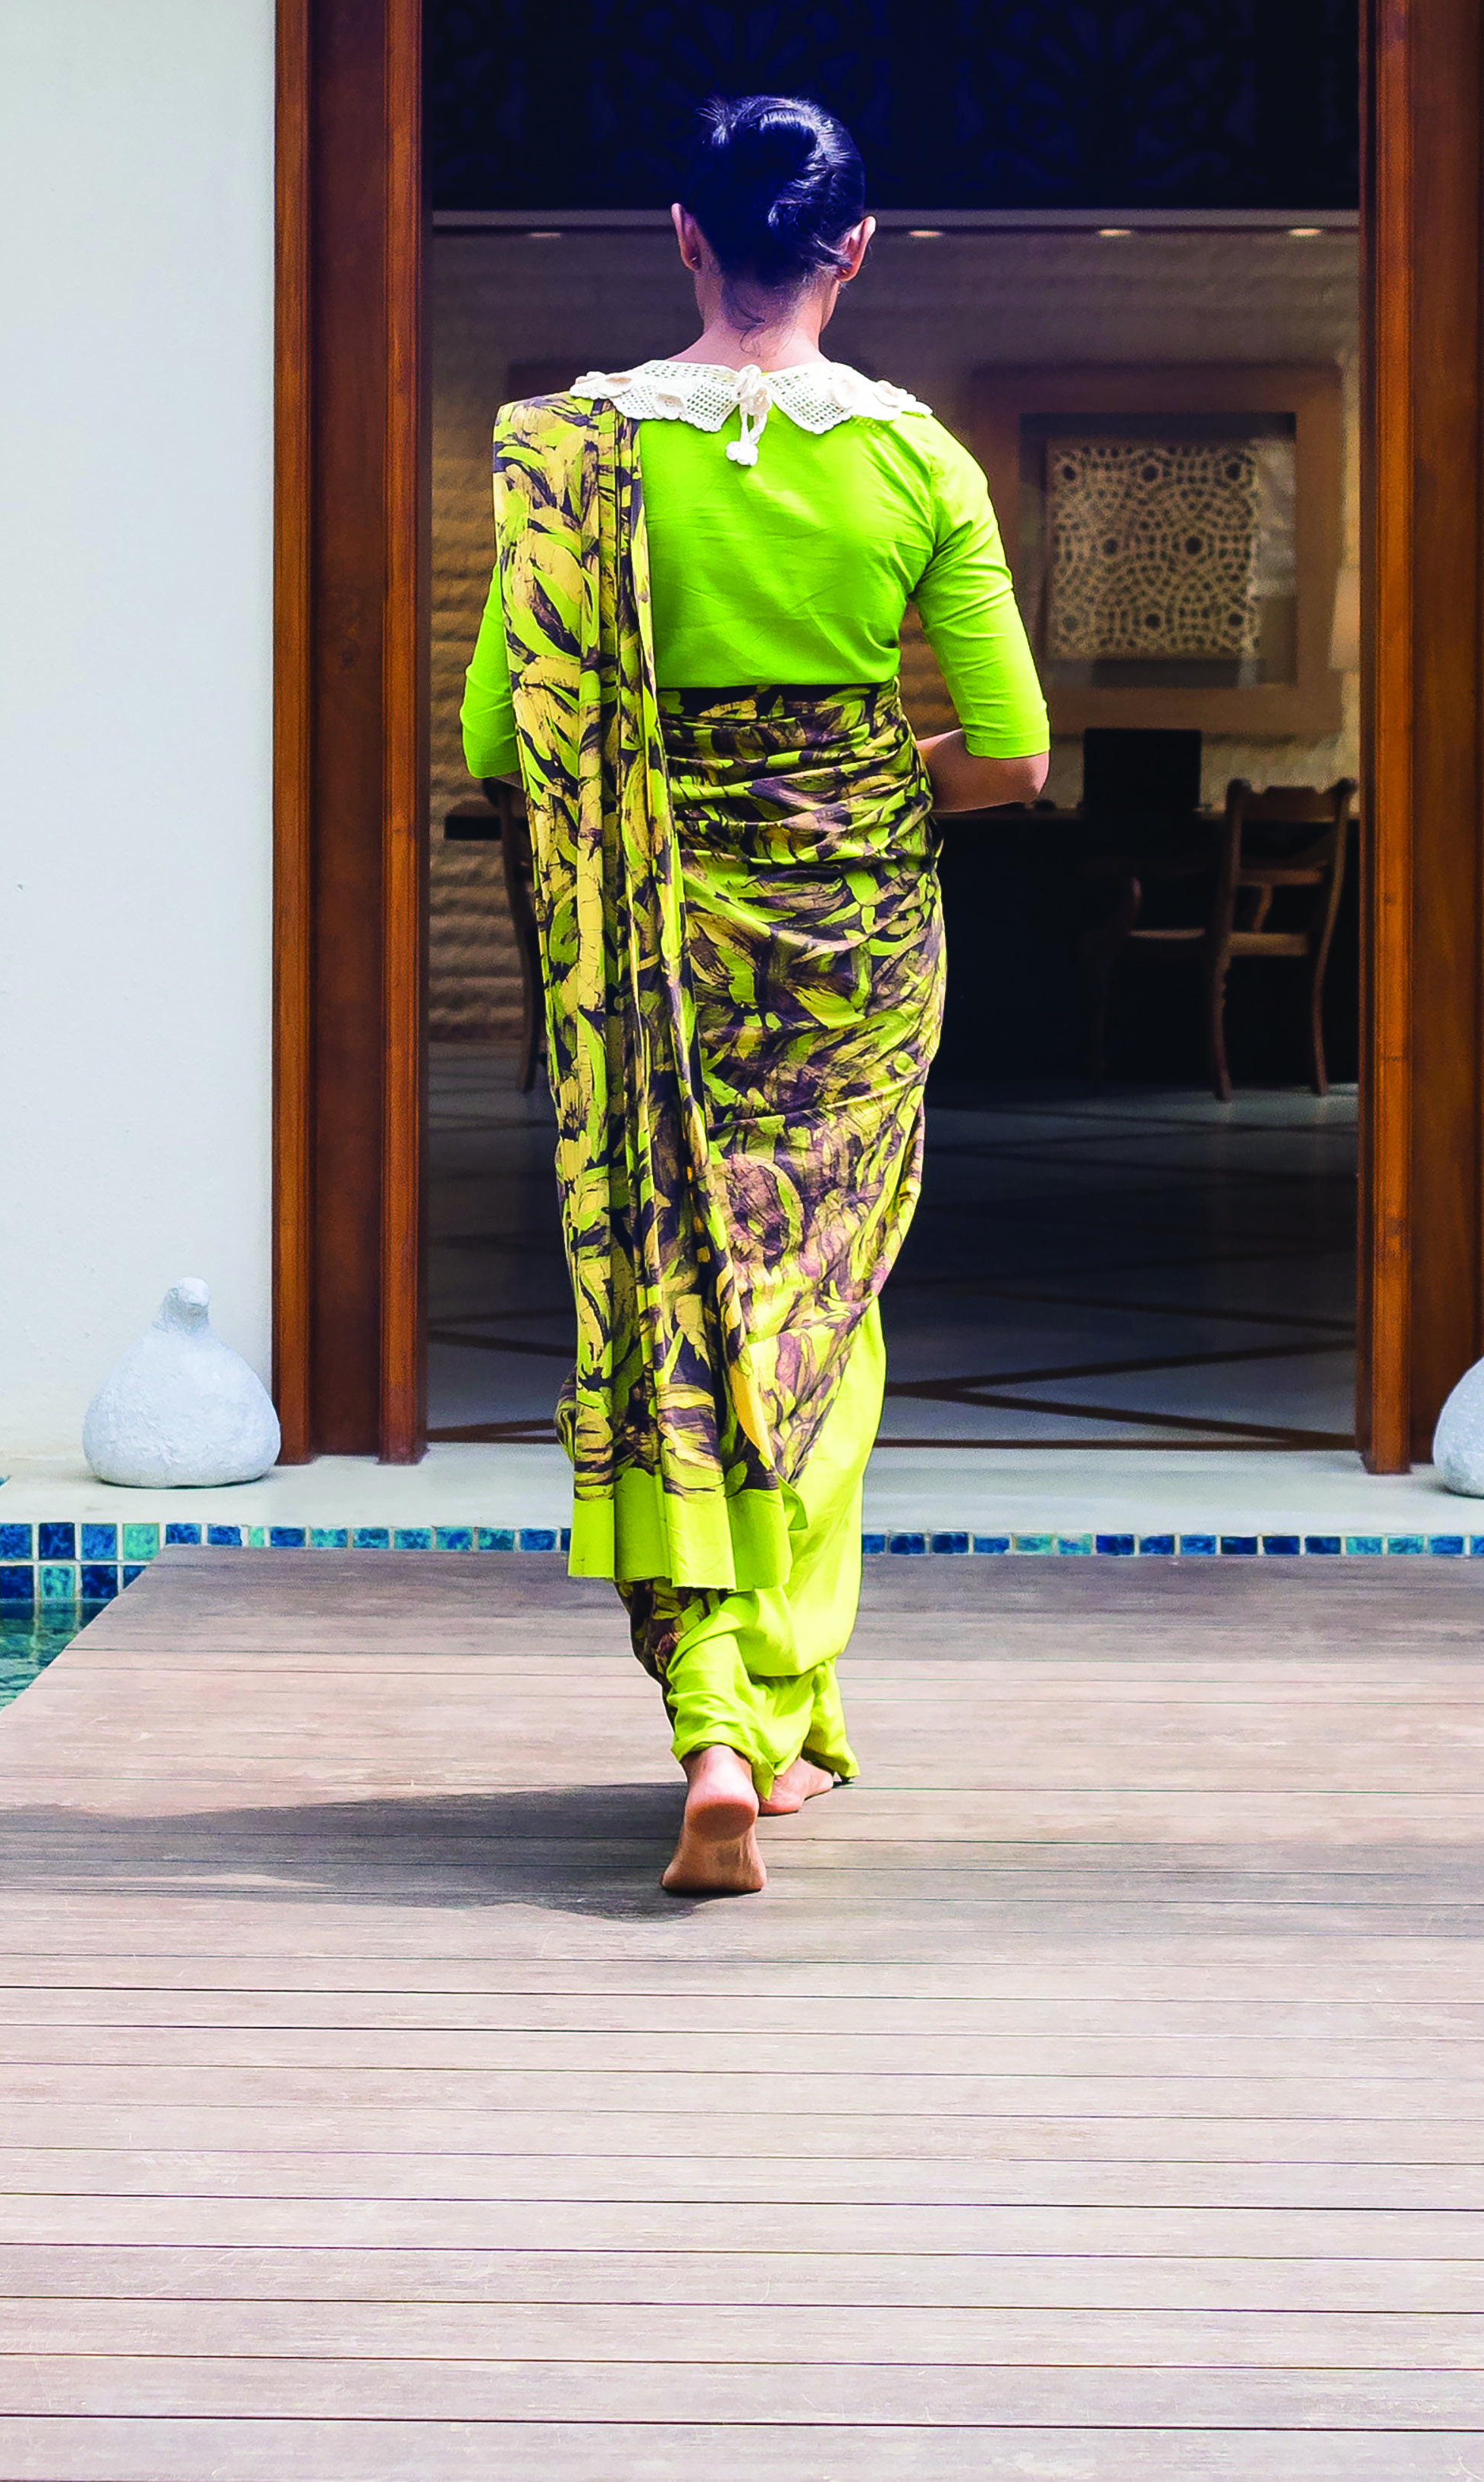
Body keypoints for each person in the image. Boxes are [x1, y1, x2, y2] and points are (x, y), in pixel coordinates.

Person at [460, 94, 1050, 1896]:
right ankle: (777, 1709)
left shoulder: (573, 452)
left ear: (685, 236)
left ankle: (712, 1707)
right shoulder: (915, 465)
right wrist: (864, 777)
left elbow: (500, 738)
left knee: (673, 1288)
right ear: (854, 251)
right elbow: (1015, 756)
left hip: (656, 945)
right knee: (819, 1296)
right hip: (857, 949)